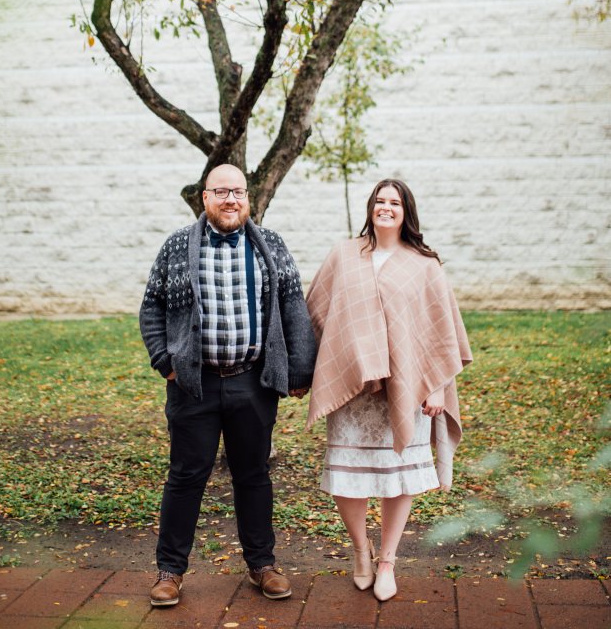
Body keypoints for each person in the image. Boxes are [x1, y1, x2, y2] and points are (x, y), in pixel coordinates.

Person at [140, 164, 317, 608]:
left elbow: (294, 306)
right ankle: (170, 571)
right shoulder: (178, 246)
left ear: (248, 198)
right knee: (185, 476)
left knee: (253, 475)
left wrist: (299, 371)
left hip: (252, 382)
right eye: (221, 192)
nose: (231, 200)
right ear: (205, 198)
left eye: (238, 191)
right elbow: (151, 308)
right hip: (193, 386)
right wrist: (167, 364)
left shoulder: (271, 245)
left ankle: (263, 565)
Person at [306, 178, 472, 602]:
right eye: (379, 200)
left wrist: (436, 386)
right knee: (347, 478)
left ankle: (387, 561)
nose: (385, 207)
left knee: (399, 479)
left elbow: (439, 333)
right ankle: (361, 550)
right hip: (354, 387)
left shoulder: (423, 263)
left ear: (405, 211)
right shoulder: (345, 254)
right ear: (370, 208)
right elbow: (317, 312)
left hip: (408, 387)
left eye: (394, 202)